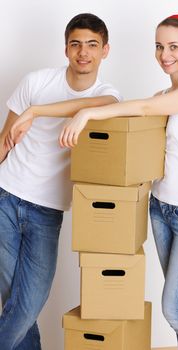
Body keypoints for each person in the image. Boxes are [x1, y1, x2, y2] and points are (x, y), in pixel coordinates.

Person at [11, 14, 178, 350]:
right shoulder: (166, 91)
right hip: (161, 208)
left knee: (175, 308)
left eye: (174, 46)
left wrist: (88, 113)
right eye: (159, 46)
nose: (165, 54)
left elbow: (145, 108)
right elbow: (142, 138)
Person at [0, 13, 121, 350]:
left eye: (92, 45)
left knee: (27, 302)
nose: (84, 52)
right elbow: (4, 141)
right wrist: (28, 111)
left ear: (105, 50)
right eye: (76, 44)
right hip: (5, 197)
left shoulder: (109, 96)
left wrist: (37, 112)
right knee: (14, 299)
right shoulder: (36, 81)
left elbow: (102, 104)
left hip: (47, 211)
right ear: (66, 49)